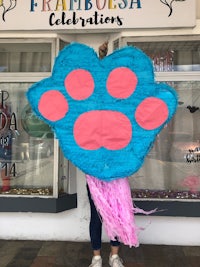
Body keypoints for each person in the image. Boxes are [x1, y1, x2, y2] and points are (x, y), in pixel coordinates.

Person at [87, 42, 125, 267]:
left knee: (116, 215)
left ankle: (114, 255)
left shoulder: (119, 111)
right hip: (94, 171)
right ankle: (97, 258)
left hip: (118, 170)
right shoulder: (91, 113)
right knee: (97, 216)